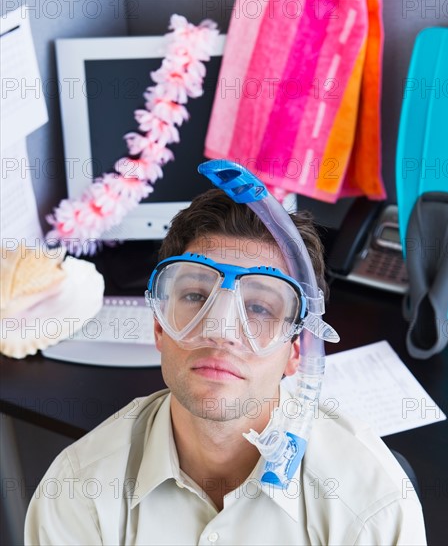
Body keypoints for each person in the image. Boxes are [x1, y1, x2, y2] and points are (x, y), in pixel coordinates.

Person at [25, 189, 426, 545]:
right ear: (159, 326)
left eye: (257, 307)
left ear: (297, 350)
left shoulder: (372, 510)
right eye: (197, 296)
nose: (220, 331)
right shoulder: (78, 491)